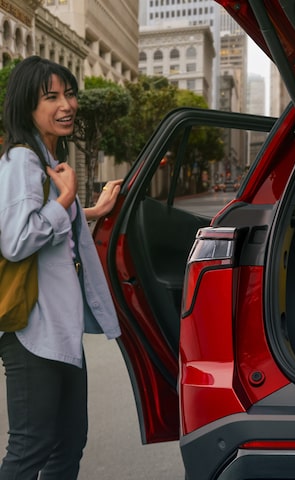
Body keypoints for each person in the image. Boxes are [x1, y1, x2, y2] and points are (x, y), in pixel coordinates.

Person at [0, 56, 122, 479]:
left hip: (58, 326)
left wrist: (88, 209)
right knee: (32, 446)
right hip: (33, 330)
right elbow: (15, 241)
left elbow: (46, 226)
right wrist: (66, 200)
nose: (66, 104)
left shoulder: (45, 159)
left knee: (68, 443)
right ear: (26, 107)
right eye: (51, 97)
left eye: (68, 93)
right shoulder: (22, 161)